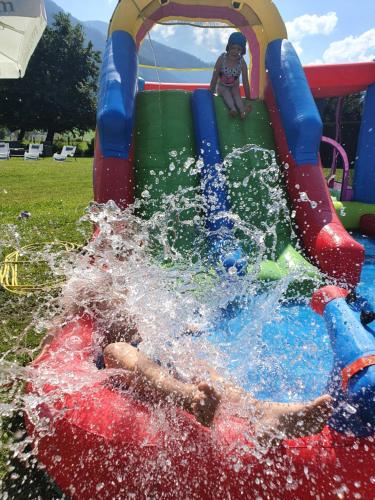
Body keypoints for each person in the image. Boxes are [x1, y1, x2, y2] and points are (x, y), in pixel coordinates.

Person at [48, 212, 332, 446]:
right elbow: (63, 325)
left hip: (154, 354)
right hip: (115, 365)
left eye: (131, 249)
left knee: (202, 368)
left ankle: (265, 413)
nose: (126, 255)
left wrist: (186, 326)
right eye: (117, 247)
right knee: (117, 349)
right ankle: (188, 397)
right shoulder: (92, 282)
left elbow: (161, 318)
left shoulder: (140, 283)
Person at [210, 32, 252, 119]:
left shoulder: (241, 62)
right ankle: (233, 109)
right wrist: (210, 93)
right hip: (221, 86)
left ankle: (242, 110)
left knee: (237, 94)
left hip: (234, 86)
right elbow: (214, 77)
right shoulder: (222, 59)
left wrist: (248, 97)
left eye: (239, 49)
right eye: (233, 48)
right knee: (226, 93)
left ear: (242, 51)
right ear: (228, 47)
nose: (235, 51)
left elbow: (245, 81)